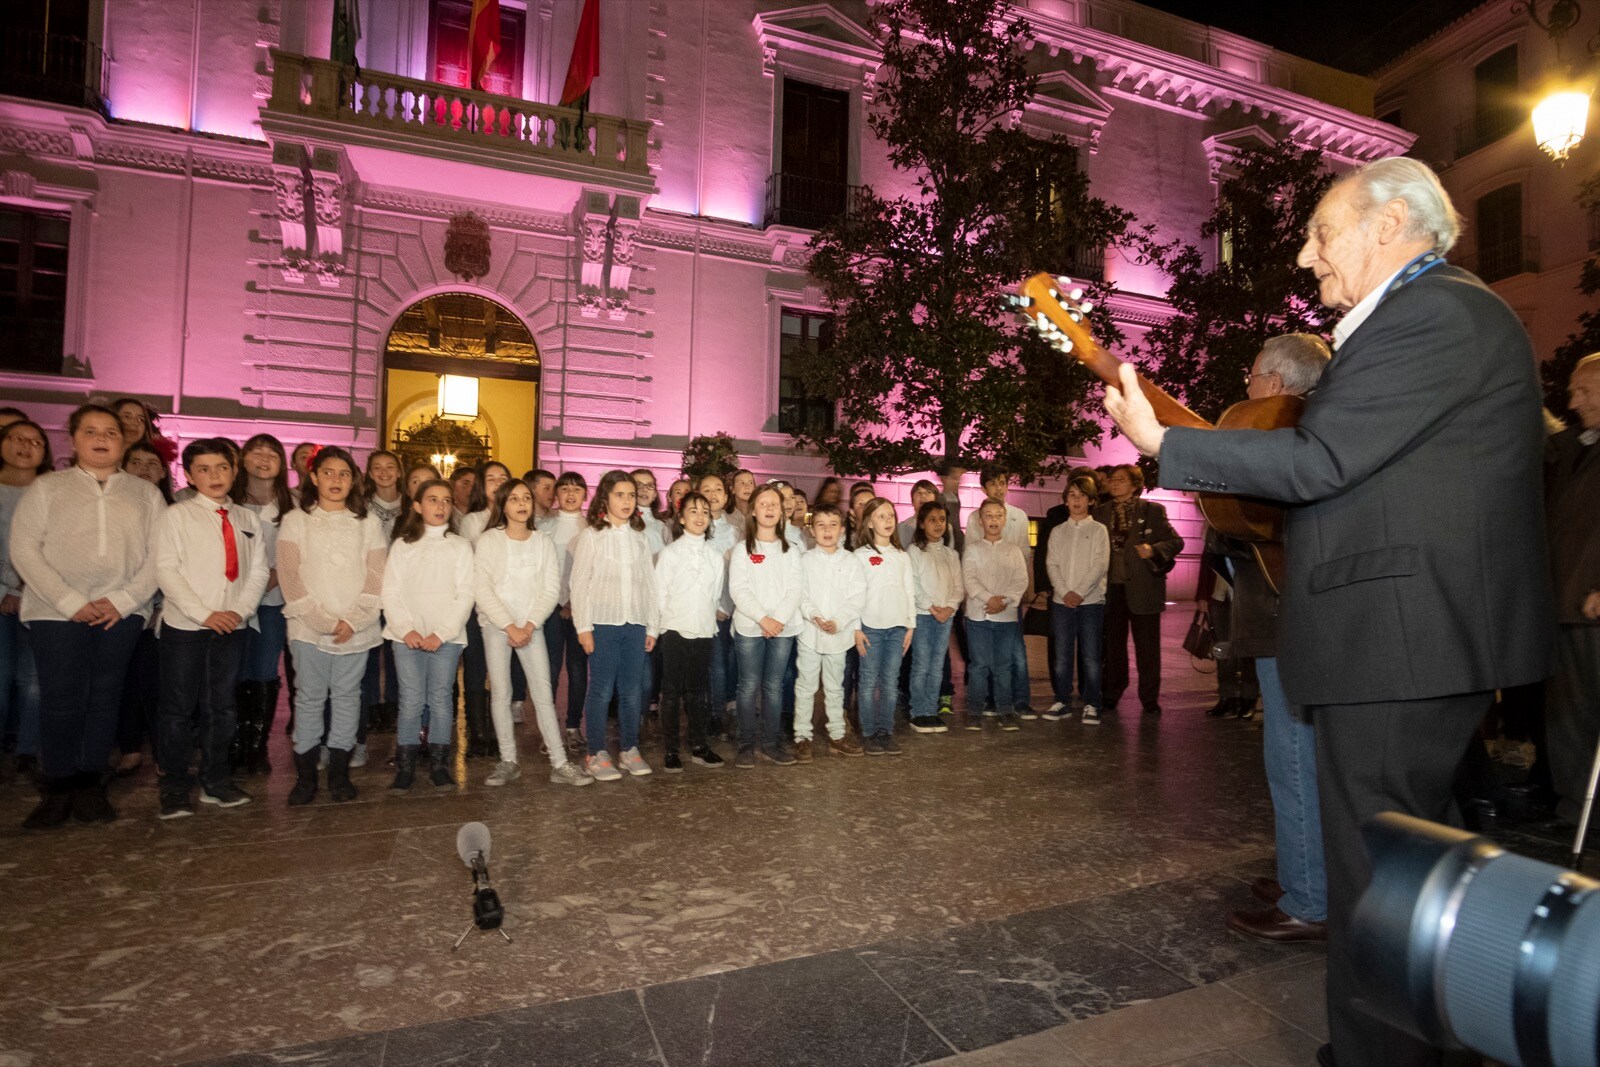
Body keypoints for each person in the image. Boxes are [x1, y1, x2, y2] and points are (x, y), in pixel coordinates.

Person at [1105, 157, 1551, 1067]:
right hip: (1405, 639)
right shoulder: (1432, 317)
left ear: (1391, 224)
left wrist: (1168, 444)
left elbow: (1319, 461)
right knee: (1399, 866)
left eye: (1322, 230)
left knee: (1375, 875)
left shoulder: (1435, 314)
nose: (1307, 255)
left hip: (1401, 640)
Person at [1201, 334, 1334, 945]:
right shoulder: (1315, 434)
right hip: (1287, 614)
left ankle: (1310, 898)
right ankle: (1302, 874)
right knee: (1295, 760)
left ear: (1277, 383)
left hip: (1290, 619)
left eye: (1252, 377)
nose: (1246, 389)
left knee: (1294, 760)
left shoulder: (1288, 440)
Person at [11, 404, 164, 829]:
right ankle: (58, 785)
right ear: (73, 439)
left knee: (104, 698)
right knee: (60, 699)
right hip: (56, 612)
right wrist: (68, 600)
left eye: (111, 431)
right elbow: (24, 549)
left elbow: (159, 555)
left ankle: (90, 782)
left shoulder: (144, 493)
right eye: (91, 431)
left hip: (122, 611)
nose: (102, 438)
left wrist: (126, 598)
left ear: (124, 440)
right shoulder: (48, 488)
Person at [153, 439, 270, 818]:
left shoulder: (248, 519)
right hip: (186, 626)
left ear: (234, 471)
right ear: (189, 476)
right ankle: (173, 785)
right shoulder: (176, 517)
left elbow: (258, 571)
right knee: (177, 708)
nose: (214, 476)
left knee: (222, 707)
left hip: (231, 626)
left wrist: (239, 610)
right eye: (203, 469)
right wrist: (205, 614)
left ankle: (215, 780)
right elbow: (167, 571)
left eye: (222, 468)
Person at [277, 446, 386, 806]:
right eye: (328, 473)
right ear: (314, 477)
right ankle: (305, 777)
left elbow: (376, 574)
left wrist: (354, 620)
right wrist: (321, 620)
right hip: (309, 627)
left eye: (344, 474)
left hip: (356, 627)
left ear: (354, 479)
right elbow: (290, 575)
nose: (336, 480)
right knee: (308, 698)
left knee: (347, 697)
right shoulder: (297, 520)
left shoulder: (367, 522)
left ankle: (339, 773)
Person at [475, 478, 589, 788]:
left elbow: (551, 588)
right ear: (503, 504)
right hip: (498, 627)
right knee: (501, 694)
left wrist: (528, 625)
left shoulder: (541, 542)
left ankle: (560, 763)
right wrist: (508, 625)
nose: (522, 503)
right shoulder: (489, 541)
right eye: (514, 499)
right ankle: (508, 760)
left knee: (542, 694)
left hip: (531, 627)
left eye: (526, 497)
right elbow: (482, 588)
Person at [381, 478, 475, 794]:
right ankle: (405, 768)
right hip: (405, 636)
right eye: (433, 500)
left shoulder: (460, 547)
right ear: (418, 506)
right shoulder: (402, 545)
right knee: (410, 698)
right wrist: (405, 628)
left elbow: (465, 595)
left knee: (440, 697)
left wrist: (441, 633)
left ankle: (439, 766)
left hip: (445, 638)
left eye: (447, 500)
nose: (441, 506)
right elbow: (390, 591)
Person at [1542, 353, 1600, 831]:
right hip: (1563, 599)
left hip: (1592, 600)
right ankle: (1575, 809)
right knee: (1567, 715)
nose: (1573, 399)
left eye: (1584, 391)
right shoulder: (1577, 446)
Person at [570, 469, 659, 781]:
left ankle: (629, 749)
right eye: (620, 494)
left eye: (631, 495)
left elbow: (650, 585)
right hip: (603, 624)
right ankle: (596, 752)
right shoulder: (592, 536)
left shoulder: (640, 538)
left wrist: (652, 627)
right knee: (602, 688)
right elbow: (579, 584)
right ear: (605, 498)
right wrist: (583, 627)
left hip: (635, 623)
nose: (626, 500)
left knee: (633, 691)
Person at [1091, 465, 1182, 716]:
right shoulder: (1100, 512)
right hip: (1112, 590)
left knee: (1148, 649)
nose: (1115, 483)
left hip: (1144, 590)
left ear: (1134, 484)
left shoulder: (1153, 511)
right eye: (1112, 480)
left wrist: (1153, 549)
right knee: (1113, 647)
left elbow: (1176, 541)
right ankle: (1112, 693)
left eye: (1121, 480)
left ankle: (1149, 698)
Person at [231, 434, 295, 776]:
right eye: (257, 451)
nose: (265, 457)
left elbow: (296, 554)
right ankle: (234, 742)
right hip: (229, 601)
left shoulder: (291, 504)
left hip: (272, 599)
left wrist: (269, 578)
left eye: (274, 452)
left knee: (265, 669)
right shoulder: (228, 500)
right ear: (242, 459)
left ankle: (256, 746)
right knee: (234, 669)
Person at [727, 483, 802, 768]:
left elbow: (795, 588)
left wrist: (778, 620)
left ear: (782, 512)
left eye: (775, 504)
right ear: (753, 511)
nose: (770, 508)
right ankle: (745, 744)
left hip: (783, 628)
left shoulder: (792, 550)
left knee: (773, 686)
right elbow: (739, 589)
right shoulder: (741, 550)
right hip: (750, 627)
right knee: (747, 686)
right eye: (763, 504)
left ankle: (771, 743)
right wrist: (763, 618)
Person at [653, 491, 726, 771]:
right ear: (681, 518)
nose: (699, 516)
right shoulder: (670, 554)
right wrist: (658, 629)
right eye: (693, 511)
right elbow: (660, 594)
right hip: (673, 629)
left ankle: (698, 744)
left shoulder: (715, 558)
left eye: (705, 512)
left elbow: (714, 594)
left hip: (704, 630)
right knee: (671, 692)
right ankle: (671, 749)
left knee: (698, 691)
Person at [0, 420, 52, 778]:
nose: (25, 445)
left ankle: (28, 748)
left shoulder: (52, 491)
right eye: (17, 439)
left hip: (40, 597)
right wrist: (6, 590)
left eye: (35, 441)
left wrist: (21, 590)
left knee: (34, 679)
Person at [794, 503, 866, 759]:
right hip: (810, 635)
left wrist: (839, 620)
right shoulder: (804, 560)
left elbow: (857, 597)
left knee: (835, 687)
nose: (827, 530)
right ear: (812, 530)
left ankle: (837, 733)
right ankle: (802, 735)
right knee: (805, 686)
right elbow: (799, 594)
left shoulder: (851, 561)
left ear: (842, 530)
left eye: (833, 525)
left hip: (839, 636)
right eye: (821, 525)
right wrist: (814, 616)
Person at [964, 468, 1035, 716]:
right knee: (983, 657)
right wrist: (988, 597)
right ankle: (990, 701)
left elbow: (1023, 555)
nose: (999, 488)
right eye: (993, 484)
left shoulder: (1019, 515)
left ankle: (1020, 700)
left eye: (1003, 483)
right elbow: (974, 554)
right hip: (983, 600)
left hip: (1008, 598)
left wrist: (1009, 597)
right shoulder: (975, 517)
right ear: (984, 488)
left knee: (1015, 653)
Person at [456, 461, 511, 760]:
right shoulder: (473, 521)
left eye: (503, 478)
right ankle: (477, 733)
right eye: (491, 479)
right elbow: (471, 566)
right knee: (477, 669)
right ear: (482, 485)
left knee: (503, 672)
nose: (498, 483)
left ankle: (499, 731)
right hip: (479, 606)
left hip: (511, 607)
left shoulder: (519, 515)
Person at [853, 497, 915, 756]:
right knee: (868, 682)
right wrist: (856, 628)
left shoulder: (902, 556)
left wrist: (910, 625)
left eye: (891, 515)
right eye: (881, 516)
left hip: (897, 627)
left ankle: (886, 731)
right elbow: (854, 595)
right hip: (871, 627)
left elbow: (910, 592)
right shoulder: (859, 556)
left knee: (890, 682)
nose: (888, 520)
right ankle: (868, 732)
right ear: (868, 522)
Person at [1044, 475, 1109, 724]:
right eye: (1072, 495)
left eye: (1082, 495)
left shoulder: (1098, 530)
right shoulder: (1058, 531)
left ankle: (1092, 702)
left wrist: (1079, 592)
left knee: (1091, 655)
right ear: (1065, 500)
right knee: (1061, 655)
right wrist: (1063, 592)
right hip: (1062, 603)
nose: (1076, 500)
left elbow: (1099, 565)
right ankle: (1062, 700)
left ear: (1091, 501)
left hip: (1091, 602)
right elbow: (1052, 563)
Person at [539, 471, 589, 750]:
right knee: (550, 669)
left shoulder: (592, 528)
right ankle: (549, 729)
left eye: (577, 489)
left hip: (581, 608)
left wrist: (573, 601)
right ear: (556, 494)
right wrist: (558, 601)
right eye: (565, 489)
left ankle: (572, 726)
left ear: (585, 495)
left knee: (578, 668)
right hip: (550, 607)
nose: (571, 494)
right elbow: (542, 568)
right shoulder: (544, 527)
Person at [359, 450, 404, 742]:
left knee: (398, 651)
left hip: (402, 589)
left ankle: (395, 705)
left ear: (399, 471)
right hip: (370, 587)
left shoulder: (411, 506)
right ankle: (373, 705)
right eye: (378, 468)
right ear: (370, 473)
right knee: (370, 650)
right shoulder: (361, 507)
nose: (385, 472)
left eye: (390, 467)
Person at [907, 500, 961, 734]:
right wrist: (931, 607)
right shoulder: (914, 551)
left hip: (945, 617)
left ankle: (931, 709)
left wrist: (950, 607)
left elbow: (958, 585)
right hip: (923, 615)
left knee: (937, 666)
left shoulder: (951, 554)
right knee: (921, 665)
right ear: (921, 523)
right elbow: (913, 585)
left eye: (942, 519)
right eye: (932, 520)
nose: (938, 524)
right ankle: (918, 711)